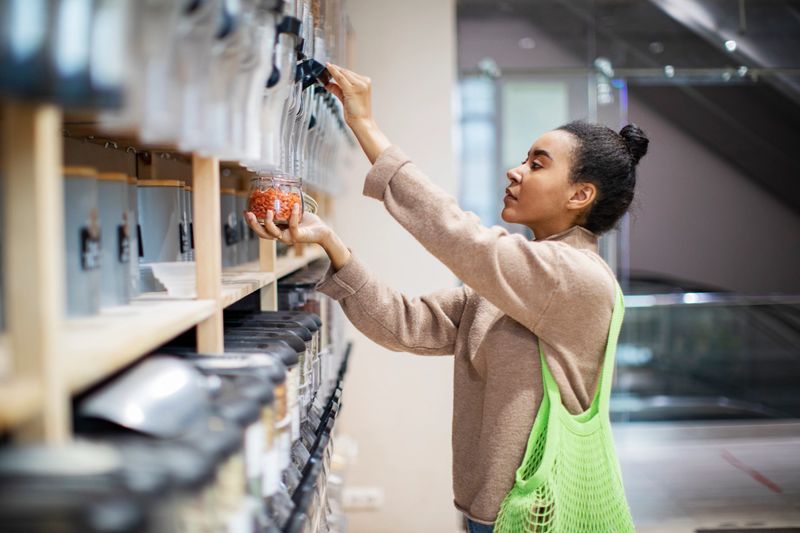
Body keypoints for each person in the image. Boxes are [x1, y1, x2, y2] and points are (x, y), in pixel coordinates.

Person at [246, 63, 649, 532]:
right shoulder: (519, 282)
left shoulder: (574, 277)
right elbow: (405, 324)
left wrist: (365, 125)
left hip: (539, 512)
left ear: (580, 194)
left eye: (537, 164)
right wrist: (331, 244)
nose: (515, 172)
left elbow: (460, 236)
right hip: (495, 510)